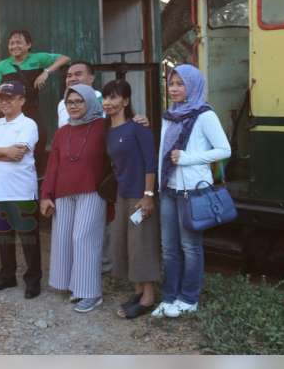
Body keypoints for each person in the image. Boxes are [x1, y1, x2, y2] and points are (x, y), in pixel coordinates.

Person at [152, 64, 231, 318]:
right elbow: (163, 153)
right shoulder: (170, 115)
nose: (173, 89)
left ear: (193, 86)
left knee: (190, 247)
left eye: (180, 84)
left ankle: (188, 298)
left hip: (191, 191)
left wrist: (187, 158)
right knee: (169, 248)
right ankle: (169, 297)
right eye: (171, 84)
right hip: (168, 190)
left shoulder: (204, 114)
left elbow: (224, 150)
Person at [40, 84, 108, 313]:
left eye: (79, 101)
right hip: (62, 192)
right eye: (70, 102)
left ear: (90, 101)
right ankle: (74, 286)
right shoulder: (62, 131)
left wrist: (139, 120)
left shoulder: (103, 126)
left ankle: (91, 293)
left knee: (84, 239)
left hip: (92, 191)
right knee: (63, 239)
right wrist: (46, 195)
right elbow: (53, 166)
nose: (74, 106)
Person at [0, 80, 42, 299]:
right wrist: (2, 151)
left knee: (28, 240)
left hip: (22, 192)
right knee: (4, 238)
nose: (4, 102)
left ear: (22, 100)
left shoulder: (28, 125)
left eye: (10, 98)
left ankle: (33, 281)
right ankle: (7, 276)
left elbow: (18, 155)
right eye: (1, 99)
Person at [102, 79, 160, 319]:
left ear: (125, 101)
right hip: (122, 196)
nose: (109, 102)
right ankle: (137, 291)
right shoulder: (109, 131)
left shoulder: (138, 128)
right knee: (124, 244)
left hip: (139, 196)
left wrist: (148, 196)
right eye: (106, 98)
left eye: (114, 97)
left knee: (141, 245)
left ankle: (148, 297)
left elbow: (150, 163)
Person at [0, 29, 70, 172]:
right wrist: (11, 90)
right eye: (11, 43)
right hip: (6, 110)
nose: (14, 46)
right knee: (2, 139)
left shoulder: (38, 59)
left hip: (30, 108)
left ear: (28, 45)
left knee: (41, 135)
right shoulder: (1, 66)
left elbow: (65, 58)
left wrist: (46, 72)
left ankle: (34, 170)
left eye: (19, 42)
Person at [56, 61, 102, 128]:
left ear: (91, 78)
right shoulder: (62, 104)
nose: (72, 79)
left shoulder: (103, 102)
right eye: (69, 76)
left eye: (78, 74)